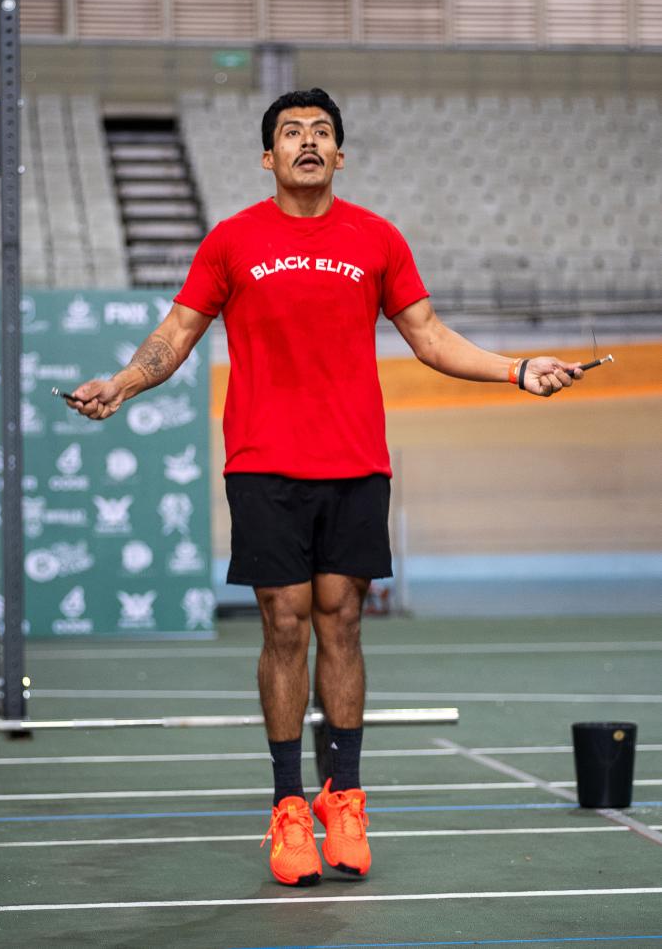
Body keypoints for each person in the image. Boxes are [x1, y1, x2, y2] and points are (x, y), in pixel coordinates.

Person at [68, 87, 584, 887]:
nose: (306, 142)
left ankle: (344, 798)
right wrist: (125, 383)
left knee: (342, 621)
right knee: (285, 623)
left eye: (320, 132)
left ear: (340, 154)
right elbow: (177, 332)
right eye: (290, 132)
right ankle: (287, 807)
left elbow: (429, 337)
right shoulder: (232, 240)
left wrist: (518, 369)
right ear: (267, 155)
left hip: (354, 461)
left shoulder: (377, 238)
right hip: (263, 462)